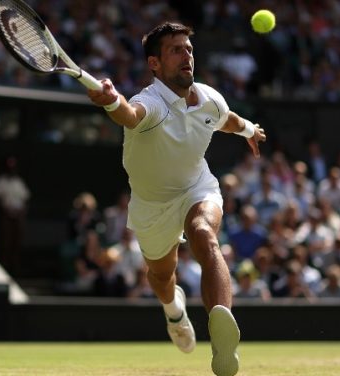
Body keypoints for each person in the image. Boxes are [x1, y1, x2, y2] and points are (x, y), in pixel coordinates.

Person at [86, 22, 266, 376]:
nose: (187, 55)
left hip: (197, 187)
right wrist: (110, 102)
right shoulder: (149, 103)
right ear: (155, 64)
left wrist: (248, 129)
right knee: (161, 276)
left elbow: (224, 119)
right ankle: (173, 311)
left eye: (189, 49)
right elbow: (129, 114)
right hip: (152, 205)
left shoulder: (209, 98)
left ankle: (222, 337)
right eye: (175, 50)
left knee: (204, 233)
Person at [0, 156, 30, 275]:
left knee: (16, 242)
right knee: (5, 241)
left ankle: (15, 267)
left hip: (18, 217)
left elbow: (25, 199)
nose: (11, 169)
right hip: (5, 216)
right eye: (9, 166)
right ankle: (4, 266)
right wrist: (6, 210)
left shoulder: (19, 182)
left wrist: (20, 212)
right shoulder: (0, 181)